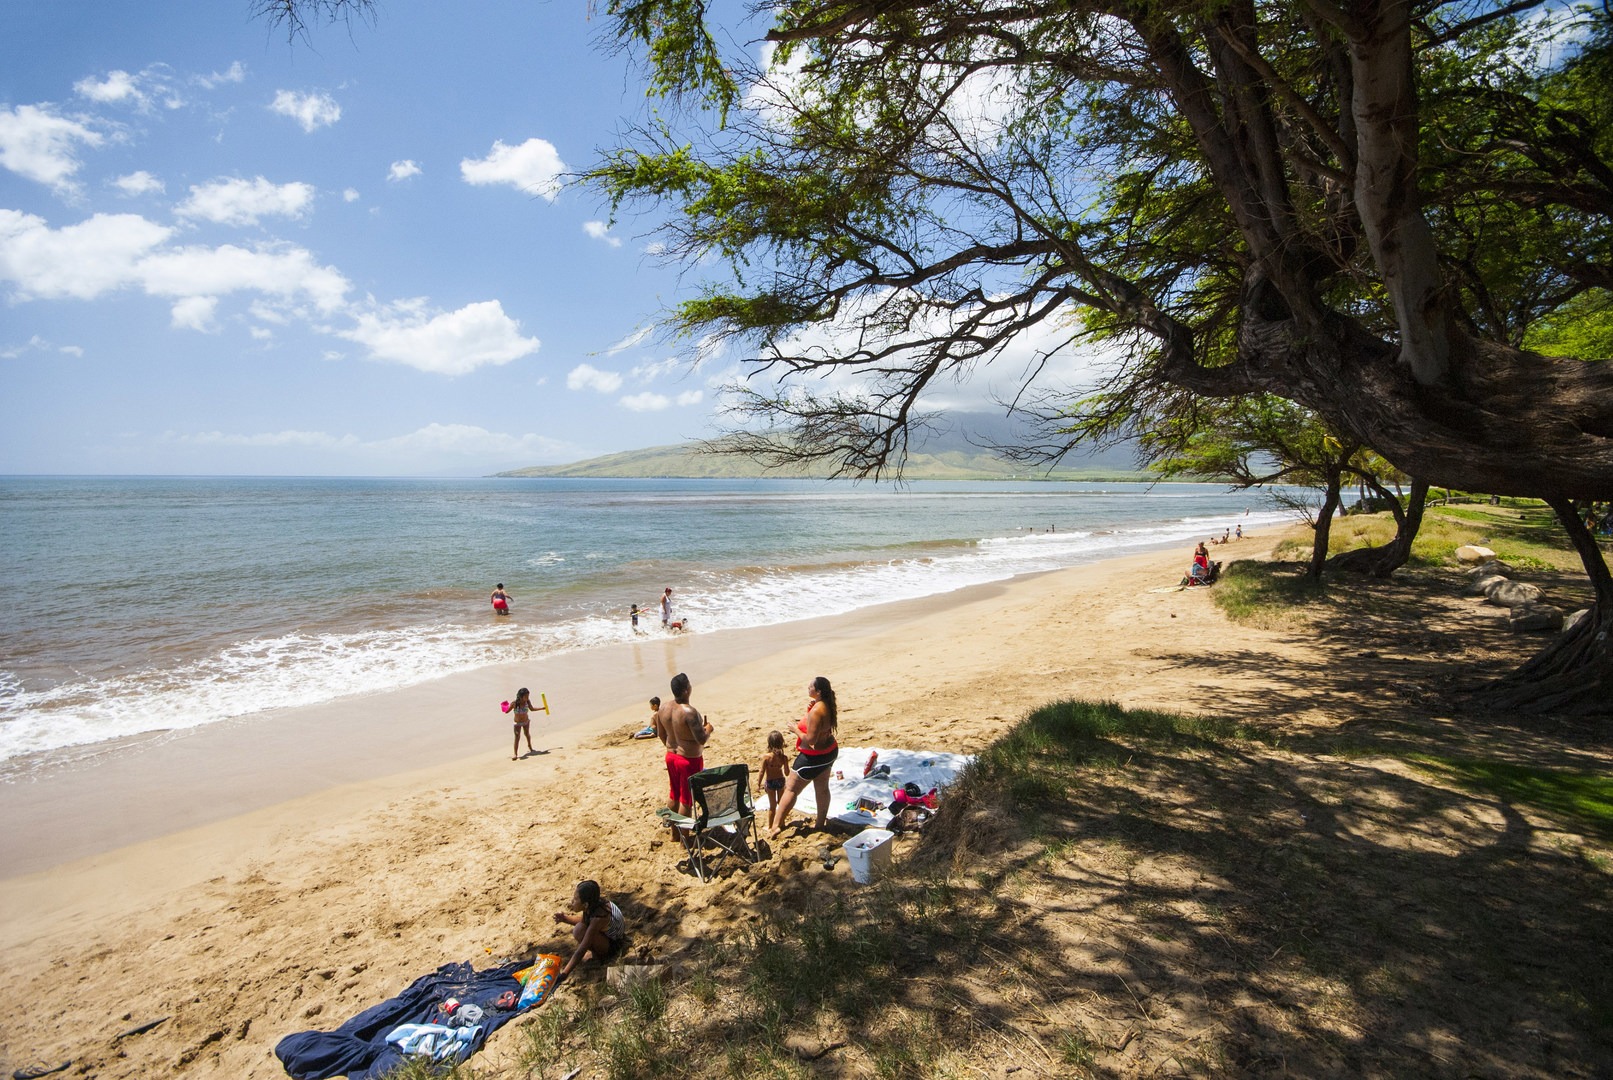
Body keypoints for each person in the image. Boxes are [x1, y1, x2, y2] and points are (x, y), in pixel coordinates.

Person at [768, 676, 839, 838]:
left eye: (810, 687)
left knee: (791, 789)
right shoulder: (827, 704)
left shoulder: (816, 711)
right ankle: (820, 824)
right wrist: (810, 711)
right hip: (829, 751)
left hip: (813, 757)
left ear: (818, 691)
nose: (808, 688)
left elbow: (811, 740)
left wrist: (795, 730)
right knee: (821, 788)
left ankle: (776, 826)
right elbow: (820, 727)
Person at [654, 672, 711, 822]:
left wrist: (672, 747)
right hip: (688, 760)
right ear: (686, 690)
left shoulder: (663, 709)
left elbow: (660, 734)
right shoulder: (689, 712)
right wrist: (709, 729)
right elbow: (701, 740)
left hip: (671, 756)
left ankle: (674, 833)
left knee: (674, 794)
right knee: (686, 799)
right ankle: (683, 839)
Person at [552, 880, 625, 981]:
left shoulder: (599, 918)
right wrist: (565, 918)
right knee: (580, 927)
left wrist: (564, 974)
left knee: (579, 931)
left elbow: (582, 948)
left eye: (576, 899)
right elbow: (585, 921)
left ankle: (600, 955)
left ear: (585, 905)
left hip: (614, 945)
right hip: (608, 934)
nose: (572, 901)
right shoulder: (594, 904)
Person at [757, 730, 788, 822]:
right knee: (781, 804)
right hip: (781, 781)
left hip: (770, 782)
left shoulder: (766, 757)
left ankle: (770, 826)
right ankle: (781, 823)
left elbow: (762, 771)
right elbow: (787, 773)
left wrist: (758, 784)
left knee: (772, 806)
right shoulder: (784, 758)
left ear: (769, 743)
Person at [511, 687, 537, 760]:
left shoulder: (527, 702)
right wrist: (504, 706)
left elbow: (532, 709)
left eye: (528, 696)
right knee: (517, 737)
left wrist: (542, 708)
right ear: (520, 696)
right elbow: (507, 711)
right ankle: (515, 753)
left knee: (527, 734)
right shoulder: (514, 703)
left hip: (526, 722)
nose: (527, 698)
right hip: (517, 723)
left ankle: (530, 746)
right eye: (526, 696)